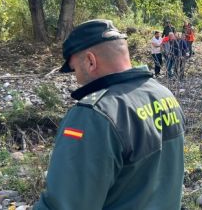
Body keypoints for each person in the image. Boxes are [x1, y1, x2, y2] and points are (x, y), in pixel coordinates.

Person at [34, 19, 186, 210]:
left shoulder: (93, 116)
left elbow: (65, 204)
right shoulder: (164, 95)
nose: (76, 78)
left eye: (74, 69)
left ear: (90, 61)